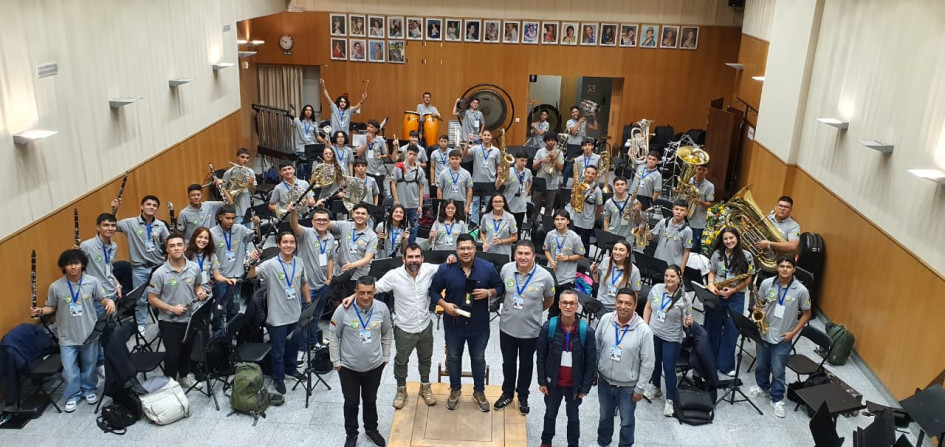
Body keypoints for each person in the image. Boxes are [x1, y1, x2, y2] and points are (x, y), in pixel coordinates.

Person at [341, 243, 439, 410]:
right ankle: (401, 389)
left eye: (417, 257)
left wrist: (451, 259)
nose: (414, 260)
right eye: (410, 257)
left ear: (422, 258)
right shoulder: (394, 275)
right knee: (401, 361)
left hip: (424, 326)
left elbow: (446, 267)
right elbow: (374, 288)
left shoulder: (429, 269)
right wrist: (353, 296)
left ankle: (425, 386)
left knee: (425, 358)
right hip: (404, 329)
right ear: (404, 259)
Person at [31, 249, 114, 413]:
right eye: (69, 264)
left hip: (89, 333)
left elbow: (102, 298)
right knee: (69, 369)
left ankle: (89, 390)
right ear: (63, 266)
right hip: (67, 336)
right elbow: (51, 307)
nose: (73, 266)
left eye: (76, 263)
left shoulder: (92, 281)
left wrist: (109, 301)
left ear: (82, 264)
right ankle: (73, 395)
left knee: (90, 366)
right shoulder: (55, 286)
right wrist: (40, 311)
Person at [429, 234, 504, 412]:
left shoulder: (487, 268)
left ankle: (479, 391)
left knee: (478, 358)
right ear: (456, 250)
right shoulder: (446, 268)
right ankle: (455, 390)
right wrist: (444, 304)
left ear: (475, 249)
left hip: (479, 325)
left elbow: (500, 287)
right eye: (462, 248)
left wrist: (489, 293)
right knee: (454, 358)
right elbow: (433, 291)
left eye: (469, 248)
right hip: (453, 325)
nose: (466, 251)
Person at [329, 276, 392, 447]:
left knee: (370, 400)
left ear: (374, 292)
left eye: (370, 293)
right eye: (362, 292)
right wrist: (336, 361)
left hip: (374, 366)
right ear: (355, 291)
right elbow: (333, 335)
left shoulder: (382, 309)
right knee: (351, 403)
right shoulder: (343, 310)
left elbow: (387, 332)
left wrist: (385, 356)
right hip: (348, 368)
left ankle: (371, 429)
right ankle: (351, 434)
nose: (366, 297)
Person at [494, 241, 556, 414]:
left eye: (527, 253)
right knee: (508, 363)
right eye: (519, 253)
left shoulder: (545, 276)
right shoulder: (506, 269)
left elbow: (550, 299)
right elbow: (503, 292)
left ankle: (523, 395)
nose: (522, 257)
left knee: (527, 365)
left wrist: (534, 310)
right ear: (515, 255)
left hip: (531, 331)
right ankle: (507, 393)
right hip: (507, 327)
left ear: (534, 256)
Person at [747, 256, 811, 418]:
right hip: (764, 332)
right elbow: (759, 303)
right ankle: (762, 387)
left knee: (778, 370)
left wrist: (793, 333)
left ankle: (777, 398)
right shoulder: (767, 283)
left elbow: (806, 314)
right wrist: (756, 308)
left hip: (783, 336)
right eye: (781, 266)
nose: (784, 269)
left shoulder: (801, 290)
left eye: (788, 266)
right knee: (762, 365)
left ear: (794, 269)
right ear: (777, 268)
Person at [146, 235, 210, 391]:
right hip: (169, 320)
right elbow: (151, 299)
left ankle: (184, 375)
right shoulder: (159, 273)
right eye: (172, 245)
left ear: (185, 247)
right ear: (167, 249)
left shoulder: (194, 267)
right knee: (173, 355)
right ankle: (169, 384)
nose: (176, 248)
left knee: (187, 350)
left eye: (179, 244)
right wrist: (171, 308)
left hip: (189, 318)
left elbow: (197, 286)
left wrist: (200, 292)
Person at [251, 231, 310, 395]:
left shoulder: (299, 262)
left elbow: (303, 283)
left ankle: (291, 369)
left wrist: (308, 302)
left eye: (292, 242)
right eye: (285, 242)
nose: (289, 245)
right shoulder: (270, 264)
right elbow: (252, 273)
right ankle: (278, 378)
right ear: (279, 244)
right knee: (278, 351)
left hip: (295, 314)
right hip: (277, 318)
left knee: (293, 346)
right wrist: (251, 260)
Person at [536, 290, 597, 447]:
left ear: (577, 306)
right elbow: (541, 357)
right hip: (553, 383)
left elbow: (591, 362)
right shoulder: (549, 327)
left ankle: (573, 443)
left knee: (573, 418)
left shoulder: (587, 332)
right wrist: (542, 381)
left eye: (572, 303)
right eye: (565, 302)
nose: (568, 306)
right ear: (559, 305)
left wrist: (585, 387)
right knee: (550, 414)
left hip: (574, 386)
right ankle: (546, 442)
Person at [595, 289, 655, 447]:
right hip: (605, 382)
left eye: (628, 303)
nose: (623, 306)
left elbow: (648, 362)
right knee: (604, 417)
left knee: (627, 422)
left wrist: (640, 388)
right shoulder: (606, 320)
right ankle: (603, 442)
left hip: (628, 388)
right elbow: (597, 346)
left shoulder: (644, 331)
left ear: (635, 306)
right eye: (620, 302)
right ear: (615, 302)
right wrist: (595, 371)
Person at [642, 265, 694, 417]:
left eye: (672, 276)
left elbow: (686, 322)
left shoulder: (685, 298)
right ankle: (656, 387)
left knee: (669, 368)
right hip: (654, 333)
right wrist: (645, 326)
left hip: (672, 338)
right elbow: (648, 307)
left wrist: (688, 321)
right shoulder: (657, 288)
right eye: (666, 276)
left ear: (679, 278)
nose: (668, 279)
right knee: (654, 362)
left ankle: (670, 399)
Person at [113, 195, 169, 332]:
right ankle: (141, 324)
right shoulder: (130, 223)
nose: (151, 207)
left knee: (164, 296)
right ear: (142, 206)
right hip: (139, 269)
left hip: (158, 267)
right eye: (148, 204)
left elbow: (168, 242)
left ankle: (166, 322)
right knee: (141, 299)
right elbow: (112, 225)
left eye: (154, 205)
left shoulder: (160, 225)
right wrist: (113, 210)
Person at [706, 227, 756, 377]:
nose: (729, 241)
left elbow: (749, 277)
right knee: (712, 328)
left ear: (738, 238)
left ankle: (726, 365)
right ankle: (710, 361)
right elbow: (712, 271)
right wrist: (710, 284)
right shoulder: (717, 254)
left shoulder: (747, 256)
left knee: (732, 330)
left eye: (731, 238)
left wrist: (734, 290)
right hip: (717, 294)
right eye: (725, 239)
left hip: (736, 297)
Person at [79, 213, 121, 373]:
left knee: (109, 330)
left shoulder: (114, 246)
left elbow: (108, 269)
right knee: (96, 332)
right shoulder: (87, 246)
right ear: (98, 227)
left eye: (112, 225)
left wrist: (117, 283)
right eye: (106, 225)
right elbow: (77, 269)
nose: (110, 228)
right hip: (96, 297)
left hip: (111, 294)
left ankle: (110, 360)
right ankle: (99, 364)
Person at [209, 205, 260, 332]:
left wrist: (257, 226)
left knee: (235, 309)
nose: (231, 221)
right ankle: (218, 336)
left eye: (233, 218)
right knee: (220, 310)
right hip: (220, 279)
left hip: (237, 278)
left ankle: (231, 334)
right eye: (227, 218)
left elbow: (256, 238)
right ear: (220, 217)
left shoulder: (240, 229)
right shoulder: (211, 233)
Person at [289, 206, 334, 349]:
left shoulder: (330, 237)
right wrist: (293, 213)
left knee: (316, 318)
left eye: (324, 220)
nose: (321, 222)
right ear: (313, 222)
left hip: (323, 285)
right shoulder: (306, 234)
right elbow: (294, 226)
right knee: (303, 320)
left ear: (329, 222)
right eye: (318, 220)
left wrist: (329, 278)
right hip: (307, 287)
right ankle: (301, 349)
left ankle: (313, 342)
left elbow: (330, 258)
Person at [542, 210, 585, 318]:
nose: (559, 222)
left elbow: (581, 254)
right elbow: (546, 249)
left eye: (562, 219)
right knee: (553, 306)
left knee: (565, 307)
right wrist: (551, 260)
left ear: (568, 221)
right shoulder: (550, 234)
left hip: (567, 277)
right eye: (557, 219)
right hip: (553, 275)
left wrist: (567, 258)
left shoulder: (574, 237)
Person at [329, 203, 378, 293]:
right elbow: (326, 223)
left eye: (363, 214)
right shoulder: (345, 225)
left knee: (354, 302)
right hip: (339, 273)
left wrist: (352, 265)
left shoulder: (372, 236)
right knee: (335, 301)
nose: (360, 216)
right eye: (357, 213)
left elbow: (367, 259)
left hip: (358, 276)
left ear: (368, 217)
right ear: (352, 214)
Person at [590, 240, 642, 312]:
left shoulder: (634, 271)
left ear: (628, 254)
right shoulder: (606, 261)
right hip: (601, 305)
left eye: (621, 250)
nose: (617, 252)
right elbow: (597, 281)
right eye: (615, 249)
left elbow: (635, 294)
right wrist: (595, 272)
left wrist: (631, 310)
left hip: (619, 309)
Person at [391, 145, 425, 244]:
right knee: (399, 226)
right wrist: (396, 200)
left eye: (414, 154)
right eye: (410, 154)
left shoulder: (420, 170)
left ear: (417, 156)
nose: (412, 156)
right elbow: (393, 184)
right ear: (406, 154)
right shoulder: (398, 167)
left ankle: (411, 246)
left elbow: (421, 187)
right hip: (400, 204)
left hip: (414, 204)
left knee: (414, 227)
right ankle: (398, 246)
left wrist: (420, 204)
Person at [649, 200, 693, 276]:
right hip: (658, 261)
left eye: (682, 210)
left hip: (673, 266)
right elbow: (650, 237)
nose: (678, 212)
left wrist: (682, 269)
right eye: (676, 209)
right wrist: (644, 231)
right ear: (672, 210)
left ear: (686, 213)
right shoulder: (663, 222)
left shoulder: (687, 230)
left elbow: (687, 251)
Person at [567, 165, 603, 256]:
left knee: (584, 244)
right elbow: (572, 204)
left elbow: (599, 207)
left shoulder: (597, 190)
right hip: (575, 219)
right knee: (572, 241)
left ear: (595, 176)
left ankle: (584, 264)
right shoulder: (578, 186)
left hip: (587, 222)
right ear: (584, 173)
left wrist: (593, 220)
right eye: (588, 172)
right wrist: (574, 194)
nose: (590, 175)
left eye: (593, 174)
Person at [467, 128, 500, 225]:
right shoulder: (476, 148)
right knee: (475, 203)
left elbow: (498, 166)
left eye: (488, 135)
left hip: (490, 181)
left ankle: (489, 222)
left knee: (489, 203)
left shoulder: (496, 151)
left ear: (491, 137)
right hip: (476, 181)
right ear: (481, 137)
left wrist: (498, 180)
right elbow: (464, 153)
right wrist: (467, 141)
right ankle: (473, 222)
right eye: (484, 135)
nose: (486, 137)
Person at [532, 133, 565, 221]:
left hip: (552, 183)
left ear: (556, 142)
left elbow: (561, 168)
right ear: (545, 142)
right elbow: (534, 167)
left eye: (553, 140)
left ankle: (546, 224)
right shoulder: (540, 152)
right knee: (535, 205)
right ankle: (533, 222)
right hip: (540, 182)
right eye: (549, 140)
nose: (551, 142)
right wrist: (541, 161)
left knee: (549, 207)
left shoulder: (559, 152)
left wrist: (554, 158)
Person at [223, 148, 258, 225]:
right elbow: (222, 189)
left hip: (247, 208)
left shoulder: (250, 172)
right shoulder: (229, 172)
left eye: (247, 158)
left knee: (249, 233)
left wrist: (251, 184)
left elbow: (253, 191)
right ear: (237, 158)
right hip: (235, 209)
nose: (245, 160)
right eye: (242, 157)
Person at [500, 153, 532, 237]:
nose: (524, 163)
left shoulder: (528, 171)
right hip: (509, 203)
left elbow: (530, 182)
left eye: (526, 161)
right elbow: (499, 185)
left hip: (520, 205)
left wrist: (526, 192)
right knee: (506, 229)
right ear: (516, 159)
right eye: (522, 160)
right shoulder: (509, 171)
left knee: (518, 229)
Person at [685, 164, 715, 251]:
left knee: (694, 245)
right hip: (684, 215)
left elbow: (710, 203)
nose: (700, 172)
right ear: (695, 169)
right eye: (699, 169)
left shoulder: (710, 186)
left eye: (703, 170)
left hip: (698, 219)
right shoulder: (688, 181)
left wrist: (700, 203)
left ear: (707, 172)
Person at [357, 120, 390, 196]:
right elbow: (358, 153)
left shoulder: (380, 139)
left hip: (379, 169)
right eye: (368, 126)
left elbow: (386, 154)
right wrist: (367, 143)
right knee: (368, 191)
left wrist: (381, 156)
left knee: (379, 192)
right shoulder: (362, 138)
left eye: (372, 127)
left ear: (376, 129)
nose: (369, 128)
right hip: (368, 170)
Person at [480, 193, 518, 259]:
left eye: (500, 201)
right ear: (492, 203)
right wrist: (484, 242)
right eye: (495, 202)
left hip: (504, 253)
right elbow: (482, 232)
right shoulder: (485, 217)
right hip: (489, 251)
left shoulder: (510, 218)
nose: (498, 204)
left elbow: (515, 237)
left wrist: (501, 241)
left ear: (504, 203)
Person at [436, 149, 473, 216]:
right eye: (452, 159)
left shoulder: (466, 173)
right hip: (447, 205)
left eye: (457, 159)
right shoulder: (443, 173)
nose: (454, 161)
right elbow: (439, 189)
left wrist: (467, 206)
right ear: (449, 160)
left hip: (461, 205)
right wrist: (441, 204)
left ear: (460, 160)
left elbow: (469, 190)